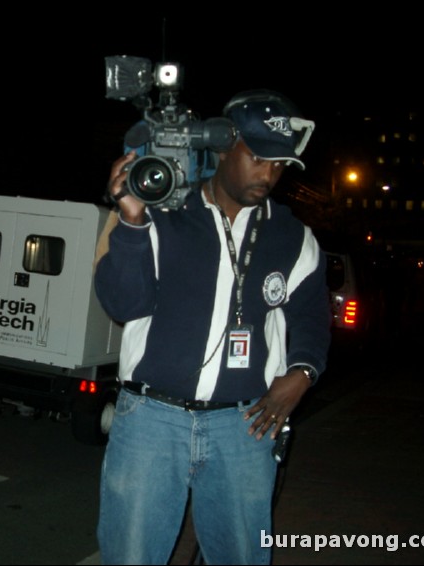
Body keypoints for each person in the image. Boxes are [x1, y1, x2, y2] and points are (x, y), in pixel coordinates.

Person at [94, 89, 331, 564]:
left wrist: (302, 374)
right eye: (258, 158)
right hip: (150, 421)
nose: (269, 174)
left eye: (280, 164)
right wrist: (132, 221)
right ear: (224, 147)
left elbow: (310, 317)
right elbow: (122, 304)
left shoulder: (293, 237)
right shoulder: (164, 214)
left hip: (243, 427)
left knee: (242, 556)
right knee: (131, 556)